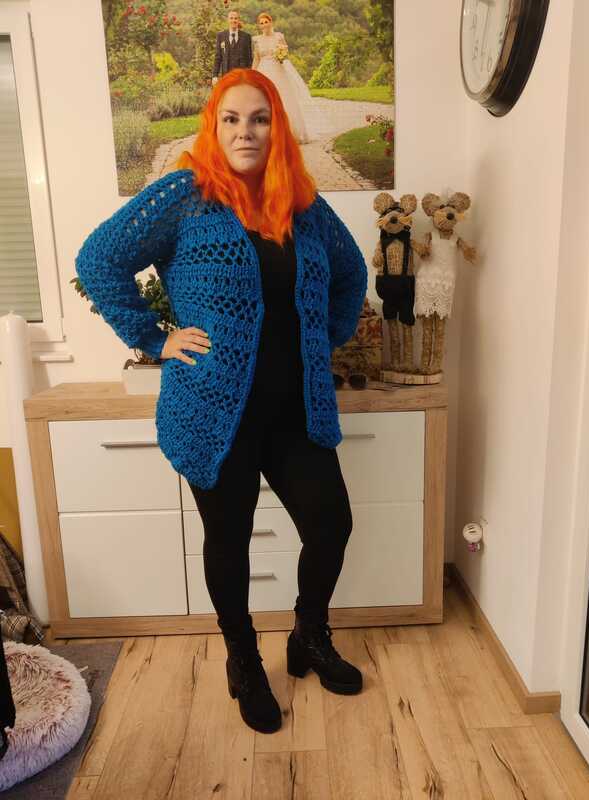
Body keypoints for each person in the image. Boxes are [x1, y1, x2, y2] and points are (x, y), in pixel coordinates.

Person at [74, 68, 368, 736]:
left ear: (277, 126)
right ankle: (243, 659)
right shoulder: (185, 195)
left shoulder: (303, 204)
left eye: (259, 118)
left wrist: (325, 335)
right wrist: (155, 338)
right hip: (214, 411)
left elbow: (351, 273)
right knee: (229, 540)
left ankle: (309, 634)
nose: (245, 131)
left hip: (296, 412)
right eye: (231, 118)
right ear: (213, 124)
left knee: (331, 523)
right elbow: (99, 259)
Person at [251, 12, 317, 143]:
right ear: (259, 26)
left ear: (271, 22)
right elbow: (256, 59)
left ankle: (288, 132)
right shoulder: (257, 40)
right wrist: (252, 74)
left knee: (284, 100)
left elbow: (286, 53)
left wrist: (281, 55)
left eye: (266, 22)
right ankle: (268, 134)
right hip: (264, 72)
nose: (264, 25)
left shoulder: (279, 37)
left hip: (278, 71)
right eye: (262, 23)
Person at [212, 9, 252, 85]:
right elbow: (218, 57)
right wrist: (215, 75)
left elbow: (249, 58)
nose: (233, 20)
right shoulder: (221, 36)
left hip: (241, 75)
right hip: (226, 74)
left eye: (236, 18)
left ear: (238, 20)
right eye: (231, 18)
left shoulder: (246, 37)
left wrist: (249, 75)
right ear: (228, 20)